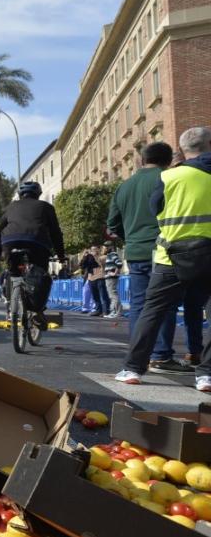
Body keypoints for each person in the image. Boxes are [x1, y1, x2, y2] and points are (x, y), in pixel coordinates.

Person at [116, 126, 211, 392]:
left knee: (152, 311)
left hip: (171, 256)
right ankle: (206, 374)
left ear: (182, 151)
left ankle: (133, 368)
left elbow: (155, 207)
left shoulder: (170, 177)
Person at [107, 141, 194, 372]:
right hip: (165, 250)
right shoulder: (170, 177)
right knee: (165, 305)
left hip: (135, 252)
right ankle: (161, 355)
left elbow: (112, 224)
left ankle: (139, 355)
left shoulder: (124, 186)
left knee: (138, 305)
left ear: (143, 160)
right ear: (168, 160)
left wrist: (131, 238)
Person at [102, 241, 123, 318]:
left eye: (105, 247)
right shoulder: (109, 255)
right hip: (109, 277)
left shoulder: (112, 254)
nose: (103, 249)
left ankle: (116, 312)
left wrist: (114, 273)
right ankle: (115, 311)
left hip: (111, 278)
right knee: (112, 295)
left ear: (109, 247)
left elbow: (119, 263)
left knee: (113, 295)